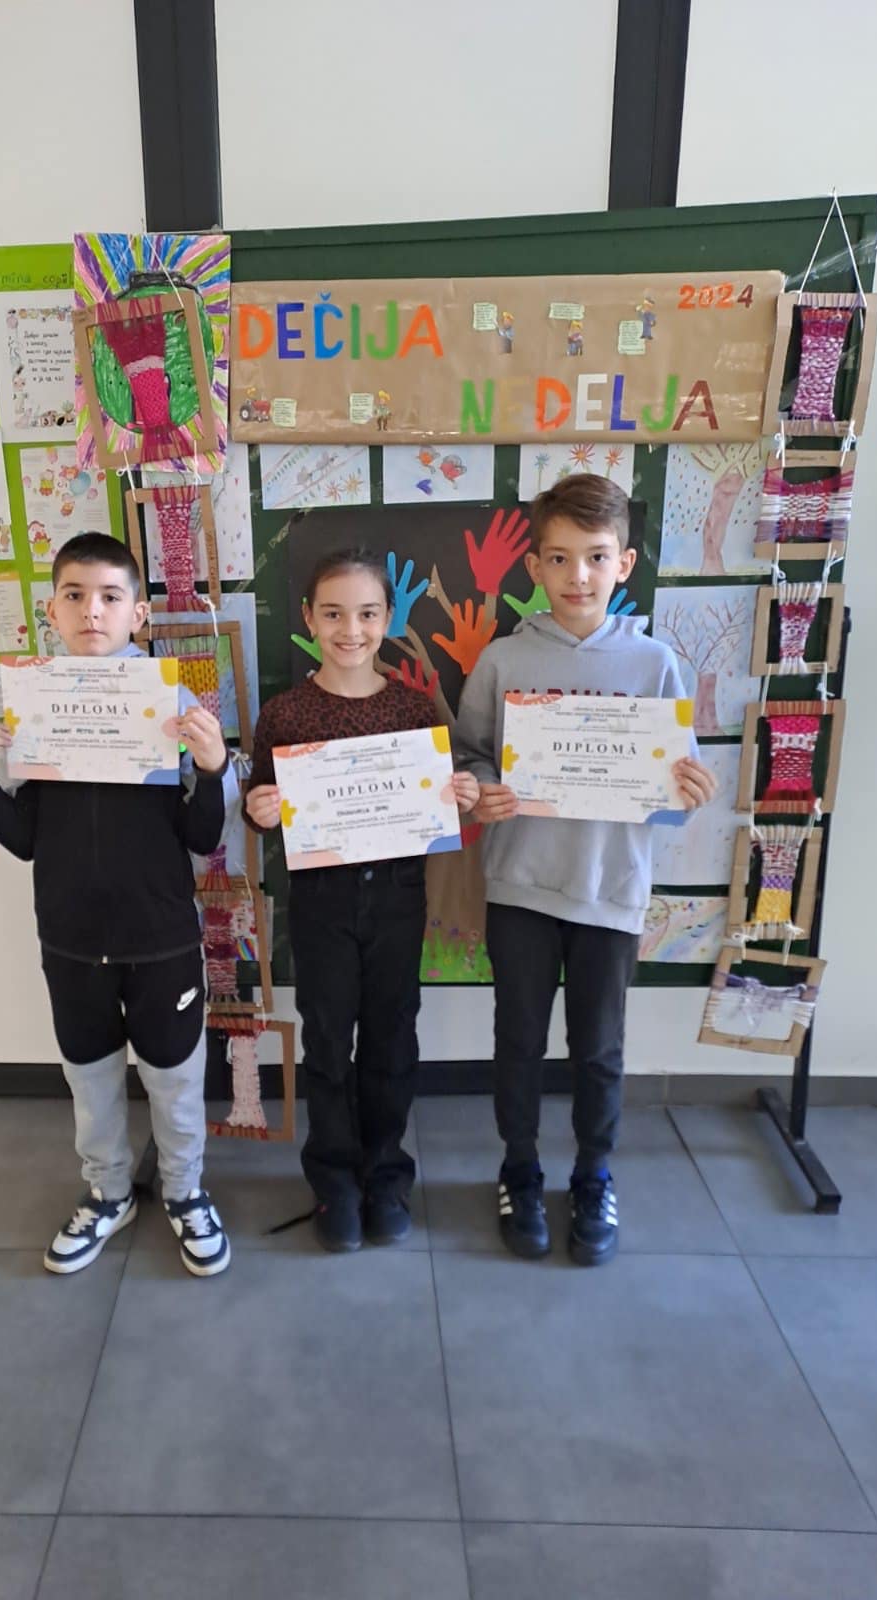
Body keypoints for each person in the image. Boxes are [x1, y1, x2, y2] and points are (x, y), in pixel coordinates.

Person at [0, 532, 235, 1278]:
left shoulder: (170, 702)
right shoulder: (34, 706)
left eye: (110, 596)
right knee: (89, 1074)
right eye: (74, 596)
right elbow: (24, 840)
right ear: (51, 610)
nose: (92, 611)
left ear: (138, 613)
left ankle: (185, 1191)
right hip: (72, 938)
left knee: (174, 1076)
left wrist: (213, 770)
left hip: (160, 936)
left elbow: (203, 835)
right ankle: (109, 1192)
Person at [454, 475, 716, 1266]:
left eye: (597, 557)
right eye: (561, 558)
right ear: (534, 565)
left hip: (611, 890)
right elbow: (470, 755)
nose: (578, 576)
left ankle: (594, 1175)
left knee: (599, 1048)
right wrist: (481, 789)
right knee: (518, 1042)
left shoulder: (656, 664)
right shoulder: (503, 660)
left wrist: (687, 791)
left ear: (624, 563)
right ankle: (520, 1169)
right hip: (521, 886)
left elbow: (673, 786)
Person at [245, 548, 479, 1252]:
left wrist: (460, 793)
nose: (351, 630)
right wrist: (260, 809)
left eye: (368, 614)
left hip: (398, 898)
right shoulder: (285, 713)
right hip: (320, 899)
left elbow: (435, 801)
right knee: (325, 1042)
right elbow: (262, 806)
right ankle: (334, 1181)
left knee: (391, 1039)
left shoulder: (412, 707)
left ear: (388, 619)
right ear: (309, 618)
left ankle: (386, 1175)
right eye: (334, 614)